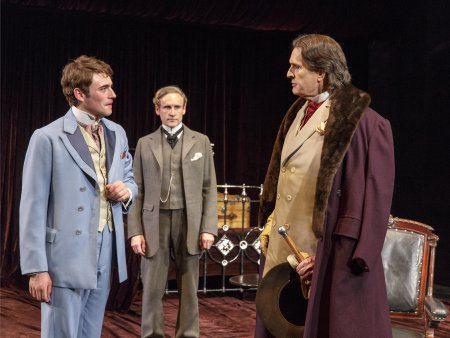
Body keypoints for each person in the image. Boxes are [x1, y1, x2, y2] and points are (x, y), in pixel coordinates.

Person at [257, 34, 395, 338]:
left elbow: (374, 201)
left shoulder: (365, 124)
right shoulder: (295, 113)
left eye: (297, 67)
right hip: (284, 250)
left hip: (326, 258)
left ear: (321, 73)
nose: (289, 73)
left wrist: (343, 255)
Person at [19, 55, 138, 338]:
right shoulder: (47, 137)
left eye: (111, 87)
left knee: (90, 333)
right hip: (63, 256)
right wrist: (37, 268)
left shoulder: (116, 133)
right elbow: (32, 206)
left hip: (104, 251)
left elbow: (131, 179)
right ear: (79, 94)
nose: (113, 94)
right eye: (104, 88)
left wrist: (127, 190)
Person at [128, 85, 218, 338]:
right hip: (154, 221)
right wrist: (135, 232)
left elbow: (209, 188)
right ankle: (152, 334)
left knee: (189, 286)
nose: (172, 112)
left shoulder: (200, 141)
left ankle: (188, 334)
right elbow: (137, 190)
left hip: (189, 221)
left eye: (177, 107)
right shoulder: (145, 143)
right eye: (167, 107)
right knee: (152, 287)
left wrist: (208, 227)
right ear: (157, 109)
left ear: (185, 109)